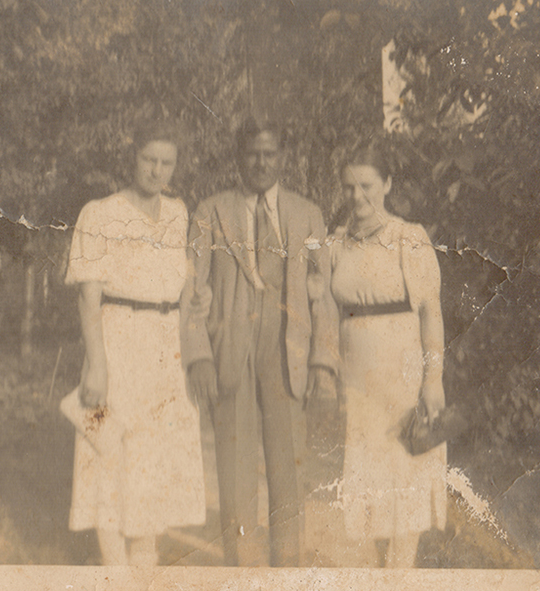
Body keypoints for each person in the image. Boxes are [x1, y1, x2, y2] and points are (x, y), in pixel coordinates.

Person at [186, 119, 339, 567]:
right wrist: (197, 355)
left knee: (288, 471)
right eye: (252, 153)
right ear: (239, 158)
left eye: (270, 154)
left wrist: (323, 361)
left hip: (285, 353)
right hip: (230, 350)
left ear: (283, 158)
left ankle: (286, 582)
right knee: (234, 475)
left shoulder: (307, 214)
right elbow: (191, 290)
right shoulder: (210, 212)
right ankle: (241, 583)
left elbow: (323, 293)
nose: (261, 162)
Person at [64, 121, 206, 566]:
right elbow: (88, 297)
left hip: (164, 346)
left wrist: (197, 294)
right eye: (149, 160)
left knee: (153, 456)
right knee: (109, 449)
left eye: (166, 163)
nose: (156, 171)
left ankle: (145, 562)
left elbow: (181, 285)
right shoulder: (100, 213)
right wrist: (97, 365)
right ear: (133, 158)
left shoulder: (179, 214)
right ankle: (114, 569)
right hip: (117, 336)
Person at [330, 145, 448, 568]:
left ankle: (401, 581)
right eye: (349, 187)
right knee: (365, 484)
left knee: (404, 477)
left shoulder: (408, 238)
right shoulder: (337, 244)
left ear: (387, 185)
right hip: (358, 385)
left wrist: (432, 381)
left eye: (366, 186)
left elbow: (432, 313)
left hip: (402, 376)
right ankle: (374, 586)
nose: (357, 196)